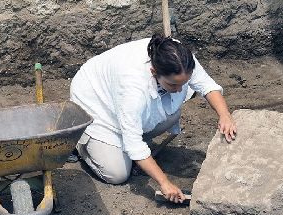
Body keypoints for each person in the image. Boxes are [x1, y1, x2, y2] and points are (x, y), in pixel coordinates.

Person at [70, 33, 237, 203]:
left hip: (126, 106)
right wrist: (164, 182)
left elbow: (207, 85)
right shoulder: (132, 89)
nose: (180, 90)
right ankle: (80, 142)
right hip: (96, 105)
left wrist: (225, 115)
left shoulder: (180, 58)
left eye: (183, 83)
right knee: (117, 174)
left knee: (172, 115)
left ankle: (128, 146)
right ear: (153, 72)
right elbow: (134, 143)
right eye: (173, 84)